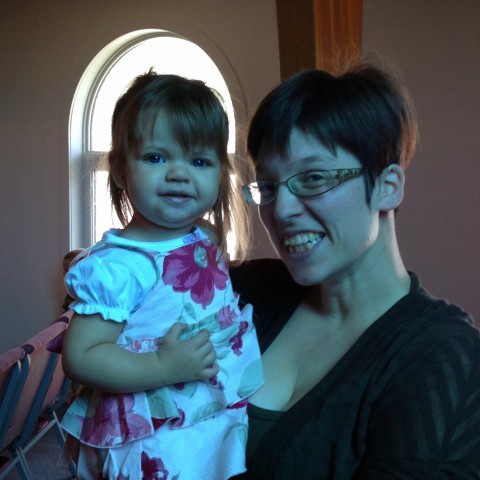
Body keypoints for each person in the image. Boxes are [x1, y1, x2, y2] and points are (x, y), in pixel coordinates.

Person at [229, 63, 480, 479]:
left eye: (313, 177)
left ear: (387, 187)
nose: (282, 210)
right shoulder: (245, 292)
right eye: (269, 187)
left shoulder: (443, 358)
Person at [60, 71, 263, 479]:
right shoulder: (119, 267)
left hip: (206, 417)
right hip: (154, 437)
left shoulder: (201, 236)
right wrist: (162, 365)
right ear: (120, 170)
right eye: (156, 157)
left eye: (199, 161)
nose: (179, 173)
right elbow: (81, 357)